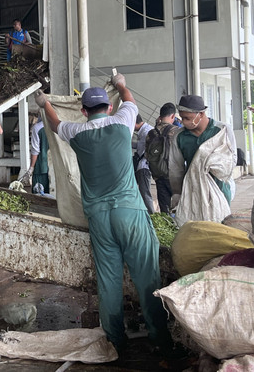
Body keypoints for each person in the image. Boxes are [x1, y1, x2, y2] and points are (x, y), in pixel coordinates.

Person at [34, 75, 171, 357]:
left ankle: (115, 341)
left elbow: (55, 123)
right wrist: (120, 83)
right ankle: (160, 338)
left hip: (98, 217)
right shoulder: (122, 122)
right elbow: (130, 100)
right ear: (109, 107)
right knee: (146, 276)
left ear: (84, 112)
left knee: (108, 281)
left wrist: (45, 103)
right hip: (129, 212)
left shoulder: (76, 131)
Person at [168, 95, 237, 224]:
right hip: (193, 190)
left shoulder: (222, 130)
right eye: (182, 117)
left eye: (187, 118)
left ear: (201, 114)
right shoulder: (179, 136)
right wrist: (177, 194)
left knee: (221, 226)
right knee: (196, 228)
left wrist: (212, 164)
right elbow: (175, 168)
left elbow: (232, 160)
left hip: (219, 188)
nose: (183, 121)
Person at [149, 103, 180, 214]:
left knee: (165, 210)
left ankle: (168, 227)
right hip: (175, 176)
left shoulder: (151, 133)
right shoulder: (177, 131)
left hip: (158, 176)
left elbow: (148, 155)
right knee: (179, 209)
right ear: (173, 116)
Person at [133, 114, 154, 214]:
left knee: (145, 193)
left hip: (144, 167)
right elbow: (140, 146)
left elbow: (145, 151)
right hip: (141, 166)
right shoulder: (144, 131)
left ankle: (151, 216)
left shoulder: (147, 132)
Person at [28, 118, 50, 194]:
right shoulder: (61, 125)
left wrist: (31, 167)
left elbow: (35, 150)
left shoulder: (38, 127)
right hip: (57, 167)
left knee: (40, 196)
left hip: (41, 168)